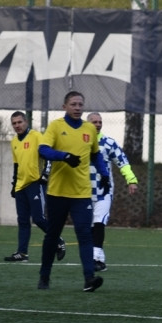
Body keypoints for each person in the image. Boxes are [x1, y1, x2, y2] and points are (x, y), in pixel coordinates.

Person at [36, 91, 111, 292]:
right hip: (58, 193)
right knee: (52, 235)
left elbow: (96, 156)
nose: (77, 107)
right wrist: (64, 156)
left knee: (85, 235)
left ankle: (89, 279)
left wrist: (104, 175)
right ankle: (44, 276)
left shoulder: (89, 129)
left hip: (81, 193)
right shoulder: (56, 126)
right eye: (73, 104)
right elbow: (42, 150)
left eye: (80, 104)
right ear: (65, 107)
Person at [5, 111, 66, 263]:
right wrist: (14, 185)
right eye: (14, 123)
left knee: (38, 218)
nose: (17, 125)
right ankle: (22, 253)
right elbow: (16, 165)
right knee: (23, 221)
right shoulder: (14, 142)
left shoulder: (36, 136)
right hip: (21, 186)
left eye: (19, 122)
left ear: (26, 122)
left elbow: (48, 155)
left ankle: (58, 241)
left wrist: (45, 175)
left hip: (35, 183)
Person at [86, 112, 139, 272]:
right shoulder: (80, 142)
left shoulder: (108, 143)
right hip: (82, 192)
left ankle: (95, 258)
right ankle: (99, 259)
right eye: (94, 122)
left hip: (104, 191)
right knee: (89, 227)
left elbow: (122, 162)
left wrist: (131, 180)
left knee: (99, 222)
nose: (97, 124)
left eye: (100, 121)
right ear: (87, 124)